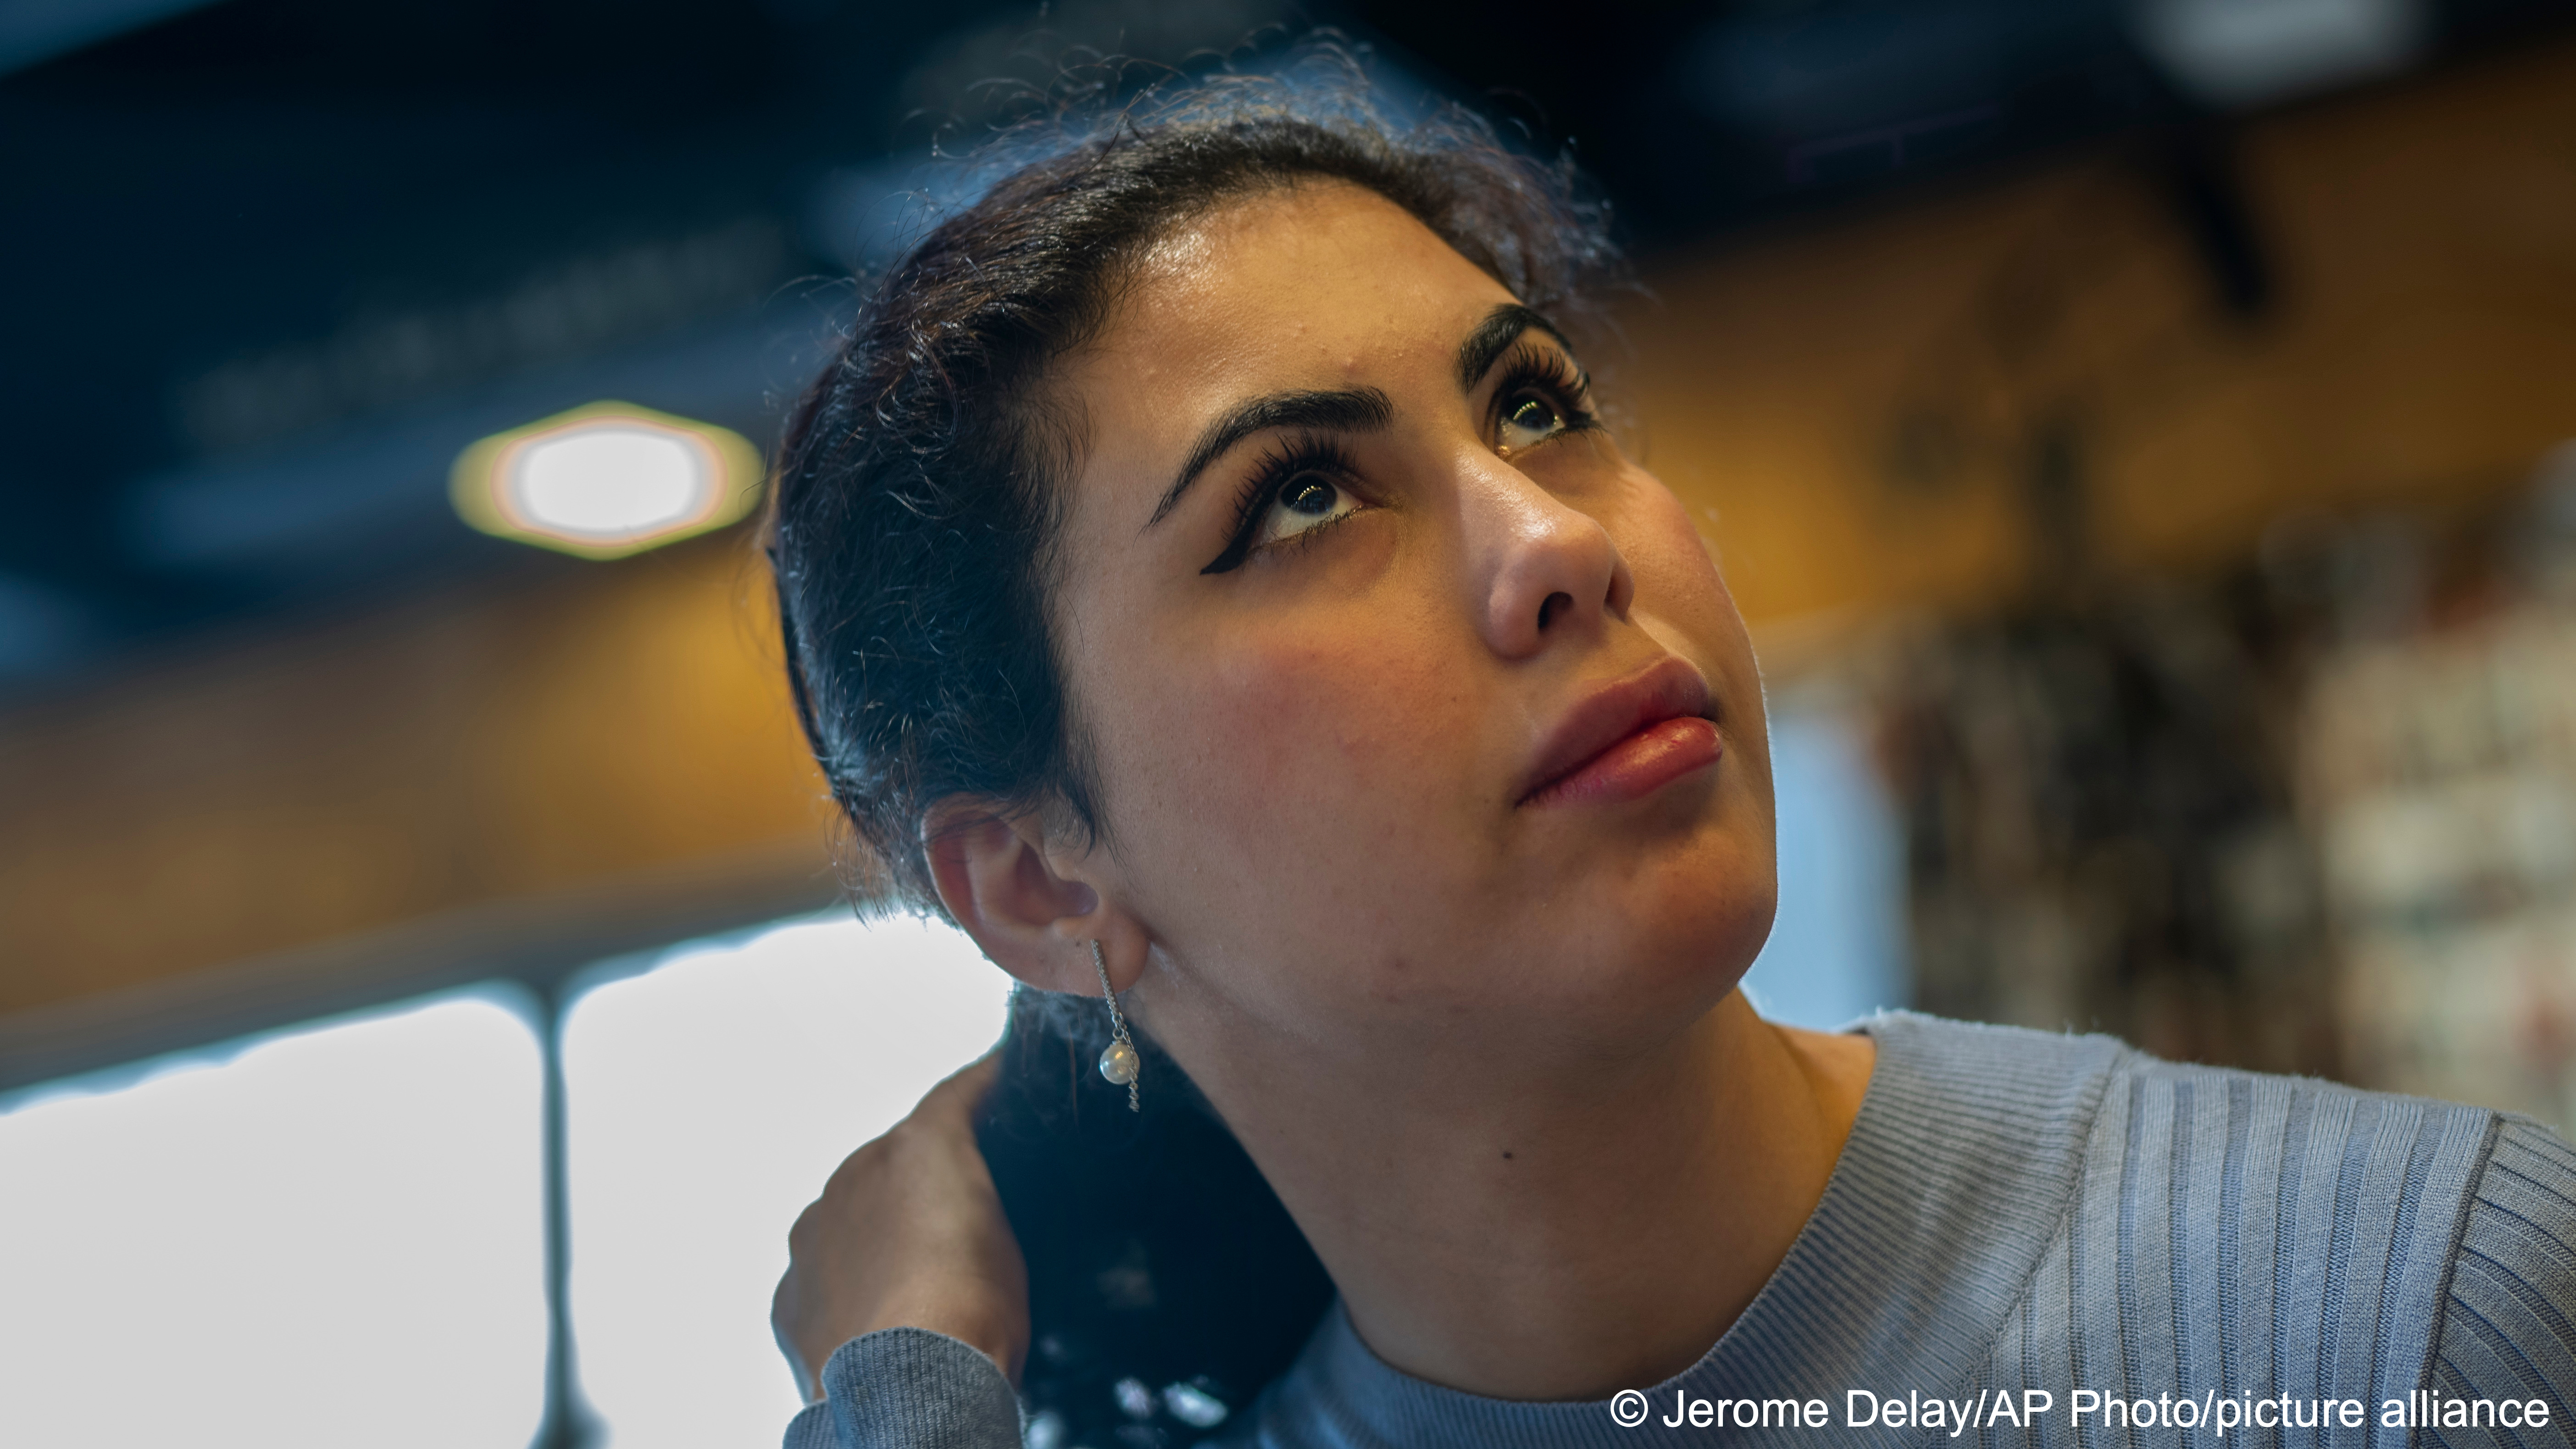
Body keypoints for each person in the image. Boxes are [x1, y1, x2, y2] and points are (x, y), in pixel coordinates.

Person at [761, 56, 2576, 1449]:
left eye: (1538, 405)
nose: (1559, 543)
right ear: (1035, 879)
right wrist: (907, 1392)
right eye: (1301, 497)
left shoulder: (2404, 1320)